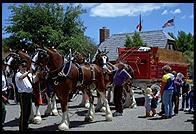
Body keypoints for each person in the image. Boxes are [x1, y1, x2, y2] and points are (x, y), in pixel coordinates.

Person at [15, 60, 33, 131]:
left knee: (28, 112)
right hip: (23, 95)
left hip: (29, 94)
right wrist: (28, 72)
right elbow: (21, 77)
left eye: (25, 66)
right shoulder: (18, 74)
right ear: (19, 67)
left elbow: (32, 81)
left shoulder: (28, 74)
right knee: (24, 112)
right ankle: (22, 128)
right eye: (23, 66)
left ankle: (26, 126)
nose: (24, 68)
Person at [2, 59, 8, 131]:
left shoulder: (3, 73)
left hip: (4, 92)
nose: (5, 67)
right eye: (4, 65)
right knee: (3, 109)